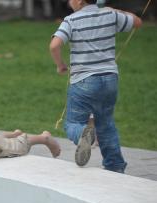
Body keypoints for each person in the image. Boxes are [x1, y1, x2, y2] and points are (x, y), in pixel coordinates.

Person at [49, 0, 142, 172]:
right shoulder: (110, 14)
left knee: (72, 122)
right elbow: (137, 22)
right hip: (110, 80)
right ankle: (115, 166)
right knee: (106, 123)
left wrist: (60, 65)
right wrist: (114, 10)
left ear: (79, 1)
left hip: (84, 81)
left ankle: (84, 133)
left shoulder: (71, 20)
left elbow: (54, 45)